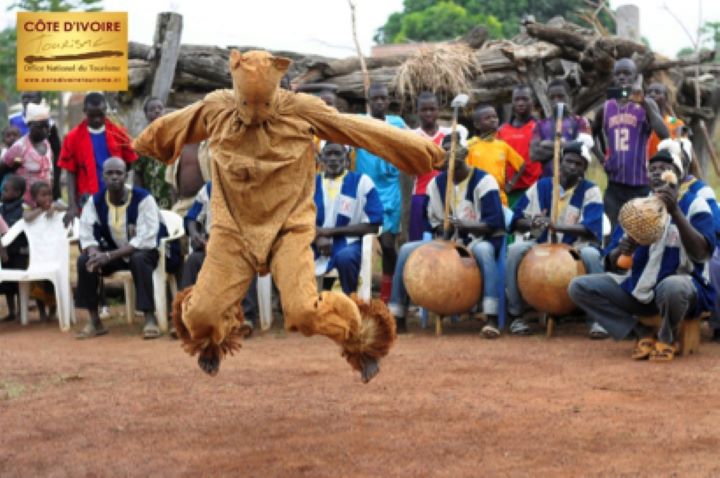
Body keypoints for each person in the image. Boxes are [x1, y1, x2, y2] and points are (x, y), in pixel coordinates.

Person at [133, 50, 443, 382]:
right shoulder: (215, 108)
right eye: (245, 106)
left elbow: (357, 128)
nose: (253, 116)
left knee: (303, 313)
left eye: (262, 106)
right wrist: (139, 143)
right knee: (199, 317)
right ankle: (213, 339)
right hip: (232, 232)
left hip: (288, 231)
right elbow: (171, 126)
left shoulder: (302, 110)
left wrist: (422, 151)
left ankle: (360, 336)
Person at [569, 146, 715, 361]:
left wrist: (675, 211)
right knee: (578, 287)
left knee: (672, 286)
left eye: (664, 167)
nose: (657, 172)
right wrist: (624, 249)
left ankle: (667, 338)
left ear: (677, 174)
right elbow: (612, 260)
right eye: (652, 168)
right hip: (640, 289)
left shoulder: (695, 204)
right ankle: (641, 333)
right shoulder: (637, 206)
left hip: (684, 291)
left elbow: (702, 252)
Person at [389, 134, 505, 335]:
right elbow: (432, 221)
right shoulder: (436, 184)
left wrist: (466, 225)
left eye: (453, 163)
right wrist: (443, 229)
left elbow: (494, 223)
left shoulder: (484, 181)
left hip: (479, 239)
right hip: (448, 241)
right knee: (407, 249)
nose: (449, 168)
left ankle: (491, 317)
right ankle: (397, 316)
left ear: (463, 159)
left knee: (485, 251)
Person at [506, 135, 606, 338]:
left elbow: (590, 229)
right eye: (568, 161)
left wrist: (557, 226)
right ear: (560, 163)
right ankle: (516, 315)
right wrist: (533, 222)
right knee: (515, 250)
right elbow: (516, 220)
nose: (572, 167)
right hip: (542, 245)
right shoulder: (542, 186)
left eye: (578, 164)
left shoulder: (590, 190)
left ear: (583, 169)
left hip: (575, 246)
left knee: (592, 255)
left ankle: (597, 319)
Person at [74, 158, 163, 340]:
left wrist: (108, 255)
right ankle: (94, 320)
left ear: (126, 176)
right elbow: (85, 233)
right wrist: (95, 253)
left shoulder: (143, 199)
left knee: (139, 259)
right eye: (109, 173)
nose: (114, 177)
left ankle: (149, 317)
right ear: (102, 176)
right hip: (112, 255)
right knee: (85, 261)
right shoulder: (95, 201)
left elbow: (146, 238)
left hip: (143, 252)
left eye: (118, 173)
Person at [592, 58, 669, 230]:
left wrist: (645, 103)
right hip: (614, 186)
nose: (622, 77)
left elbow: (664, 134)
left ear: (636, 77)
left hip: (640, 184)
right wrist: (601, 158)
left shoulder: (646, 105)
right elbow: (591, 134)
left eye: (627, 73)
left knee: (640, 232)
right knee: (611, 232)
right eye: (618, 73)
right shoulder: (606, 108)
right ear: (613, 77)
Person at [354, 82, 407, 302]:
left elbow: (410, 147)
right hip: (366, 192)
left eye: (383, 98)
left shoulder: (397, 124)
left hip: (390, 192)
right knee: (361, 244)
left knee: (387, 244)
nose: (379, 102)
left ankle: (389, 295)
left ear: (388, 101)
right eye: (375, 98)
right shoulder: (359, 124)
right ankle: (357, 294)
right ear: (369, 101)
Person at [182, 180, 259, 331]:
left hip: (240, 246)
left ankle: (246, 317)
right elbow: (192, 217)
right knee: (193, 261)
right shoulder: (210, 188)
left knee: (247, 263)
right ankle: (186, 316)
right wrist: (195, 234)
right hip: (211, 247)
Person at [58, 92, 138, 225]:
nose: (96, 119)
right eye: (91, 115)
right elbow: (70, 173)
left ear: (105, 110)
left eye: (100, 115)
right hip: (87, 199)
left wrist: (119, 182)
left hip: (116, 196)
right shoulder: (72, 138)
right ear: (84, 111)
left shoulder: (119, 133)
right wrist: (72, 206)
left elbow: (129, 162)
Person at [314, 142, 383, 293]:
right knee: (292, 257)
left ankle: (349, 302)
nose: (332, 158)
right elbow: (298, 218)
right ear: (321, 158)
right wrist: (317, 236)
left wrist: (329, 232)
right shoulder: (311, 184)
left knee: (345, 258)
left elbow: (374, 224)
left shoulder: (362, 182)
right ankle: (304, 308)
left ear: (346, 157)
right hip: (314, 243)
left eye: (337, 153)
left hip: (350, 243)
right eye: (328, 154)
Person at [408, 91, 468, 241]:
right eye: (424, 109)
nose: (428, 113)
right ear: (417, 112)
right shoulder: (412, 136)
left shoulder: (451, 134)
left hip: (446, 194)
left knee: (448, 240)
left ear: (438, 110)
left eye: (432, 109)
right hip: (421, 194)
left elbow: (462, 150)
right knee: (419, 240)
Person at [23, 181, 67, 321]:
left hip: (54, 253)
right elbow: (26, 217)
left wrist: (53, 207)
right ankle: (42, 312)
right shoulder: (30, 209)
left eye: (49, 194)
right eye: (43, 195)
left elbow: (65, 207)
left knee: (52, 285)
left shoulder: (55, 205)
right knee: (37, 284)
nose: (47, 198)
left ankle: (53, 311)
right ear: (35, 198)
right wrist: (42, 210)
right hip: (37, 254)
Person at [530, 79, 590, 180]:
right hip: (547, 183)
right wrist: (569, 145)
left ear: (569, 97)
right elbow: (534, 155)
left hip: (574, 183)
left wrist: (547, 144)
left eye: (561, 96)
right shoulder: (540, 124)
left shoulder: (580, 122)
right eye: (552, 98)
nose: (556, 101)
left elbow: (582, 149)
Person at [466, 104, 525, 207]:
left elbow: (521, 165)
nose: (493, 120)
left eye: (495, 117)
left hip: (499, 198)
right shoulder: (470, 145)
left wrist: (510, 184)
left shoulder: (502, 146)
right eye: (487, 118)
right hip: (476, 197)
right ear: (477, 124)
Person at [8, 92, 62, 199]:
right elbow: (8, 144)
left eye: (31, 98)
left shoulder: (49, 123)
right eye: (24, 98)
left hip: (42, 172)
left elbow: (57, 153)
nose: (27, 101)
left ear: (39, 99)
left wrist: (56, 184)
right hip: (19, 170)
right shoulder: (13, 119)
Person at [1, 103, 53, 206]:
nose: (45, 130)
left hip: (44, 202)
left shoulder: (46, 144)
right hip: (25, 203)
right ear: (29, 125)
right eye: (40, 127)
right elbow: (3, 167)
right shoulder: (20, 146)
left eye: (47, 126)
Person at [498, 85, 539, 207]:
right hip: (509, 189)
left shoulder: (539, 127)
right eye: (517, 99)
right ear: (512, 102)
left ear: (532, 101)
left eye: (525, 99)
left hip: (533, 187)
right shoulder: (502, 131)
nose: (520, 103)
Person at [133, 97, 174, 209]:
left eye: (160, 108)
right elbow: (137, 173)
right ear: (146, 114)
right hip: (150, 197)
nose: (157, 111)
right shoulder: (141, 141)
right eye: (152, 109)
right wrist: (140, 197)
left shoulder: (173, 137)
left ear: (164, 111)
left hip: (171, 196)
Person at [0, 175, 28, 322]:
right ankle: (11, 311)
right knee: (7, 285)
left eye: (5, 190)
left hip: (19, 252)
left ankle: (21, 312)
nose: (2, 192)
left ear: (17, 193)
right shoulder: (1, 208)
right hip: (5, 253)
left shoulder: (23, 209)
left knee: (19, 283)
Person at [646, 82, 686, 158]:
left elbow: (681, 151)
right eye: (649, 92)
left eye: (657, 92)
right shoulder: (639, 122)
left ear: (666, 99)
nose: (652, 95)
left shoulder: (676, 123)